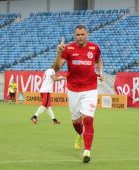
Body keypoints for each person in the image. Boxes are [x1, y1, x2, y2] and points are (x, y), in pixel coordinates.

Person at [53, 25, 104, 163]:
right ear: (75, 35)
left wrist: (100, 71)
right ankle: (80, 134)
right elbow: (56, 68)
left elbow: (99, 60)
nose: (80, 37)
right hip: (73, 89)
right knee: (76, 121)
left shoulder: (94, 48)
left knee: (88, 119)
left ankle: (87, 151)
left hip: (90, 88)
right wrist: (58, 53)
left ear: (87, 34)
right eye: (77, 35)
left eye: (82, 34)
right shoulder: (68, 49)